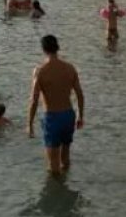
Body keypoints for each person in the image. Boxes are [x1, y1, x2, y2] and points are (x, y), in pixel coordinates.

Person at [27, 35, 85, 175]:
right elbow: (80, 94)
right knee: (65, 159)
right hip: (68, 115)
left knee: (53, 165)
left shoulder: (40, 71)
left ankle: (57, 186)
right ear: (57, 48)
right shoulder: (70, 68)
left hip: (52, 117)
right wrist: (80, 116)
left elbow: (34, 100)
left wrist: (30, 124)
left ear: (43, 49)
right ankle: (67, 182)